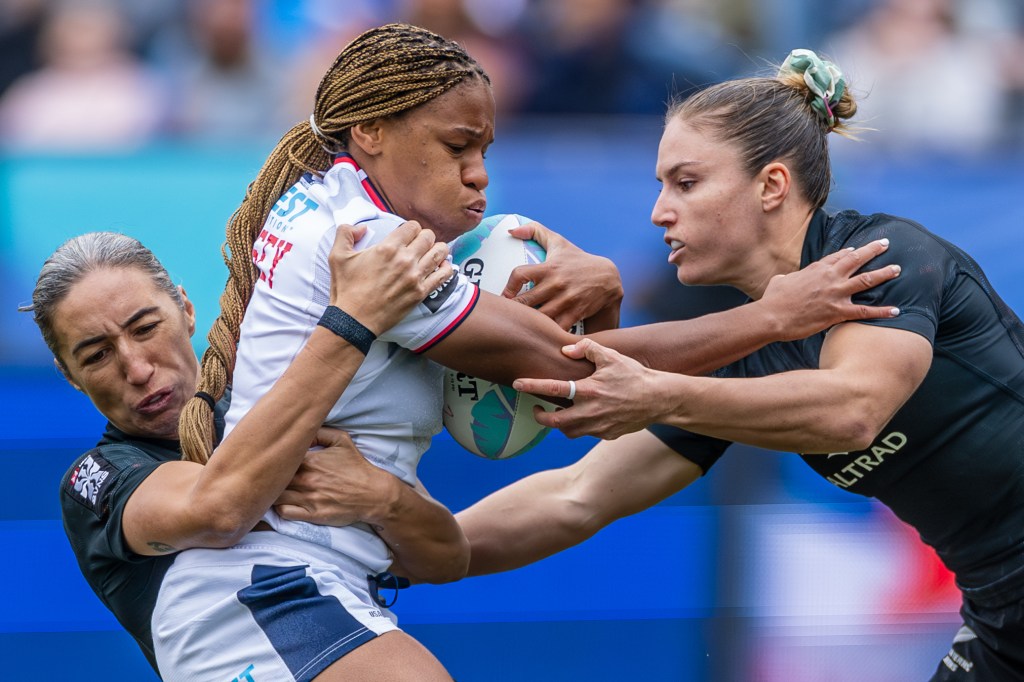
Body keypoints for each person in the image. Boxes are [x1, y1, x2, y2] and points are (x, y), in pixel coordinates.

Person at [168, 24, 901, 681]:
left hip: (301, 586)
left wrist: (603, 298)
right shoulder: (376, 245)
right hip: (271, 586)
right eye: (458, 146)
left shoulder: (325, 203)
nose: (479, 171)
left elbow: (475, 531)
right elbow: (569, 378)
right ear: (370, 131)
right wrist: (772, 318)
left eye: (486, 148)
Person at [459, 49, 1024, 679]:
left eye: (687, 182)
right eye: (659, 185)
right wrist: (391, 549)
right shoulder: (732, 351)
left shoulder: (875, 257)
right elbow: (575, 496)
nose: (659, 212)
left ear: (772, 186)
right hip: (1002, 616)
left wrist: (661, 394)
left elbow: (853, 411)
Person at [22, 224, 461, 677]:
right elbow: (219, 512)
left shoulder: (282, 400)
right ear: (70, 375)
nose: (136, 368)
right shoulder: (101, 476)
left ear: (187, 309)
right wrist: (354, 319)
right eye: (96, 356)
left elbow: (446, 557)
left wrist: (382, 497)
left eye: (146, 328)